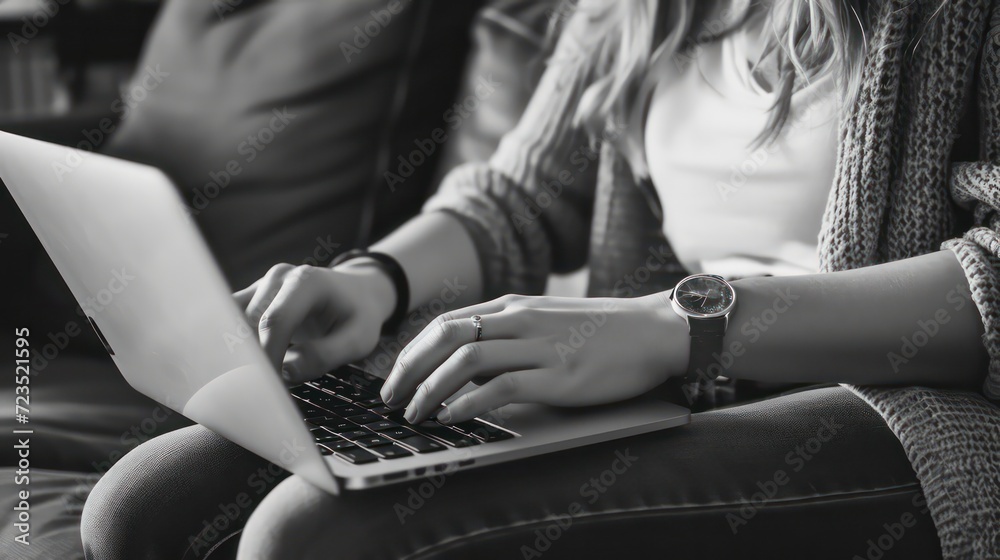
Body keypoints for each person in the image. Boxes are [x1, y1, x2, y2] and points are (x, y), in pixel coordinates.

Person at [81, 0, 1000, 558]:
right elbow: (520, 195)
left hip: (896, 401)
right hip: (681, 373)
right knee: (146, 509)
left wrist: (673, 326)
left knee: (310, 540)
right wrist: (376, 283)